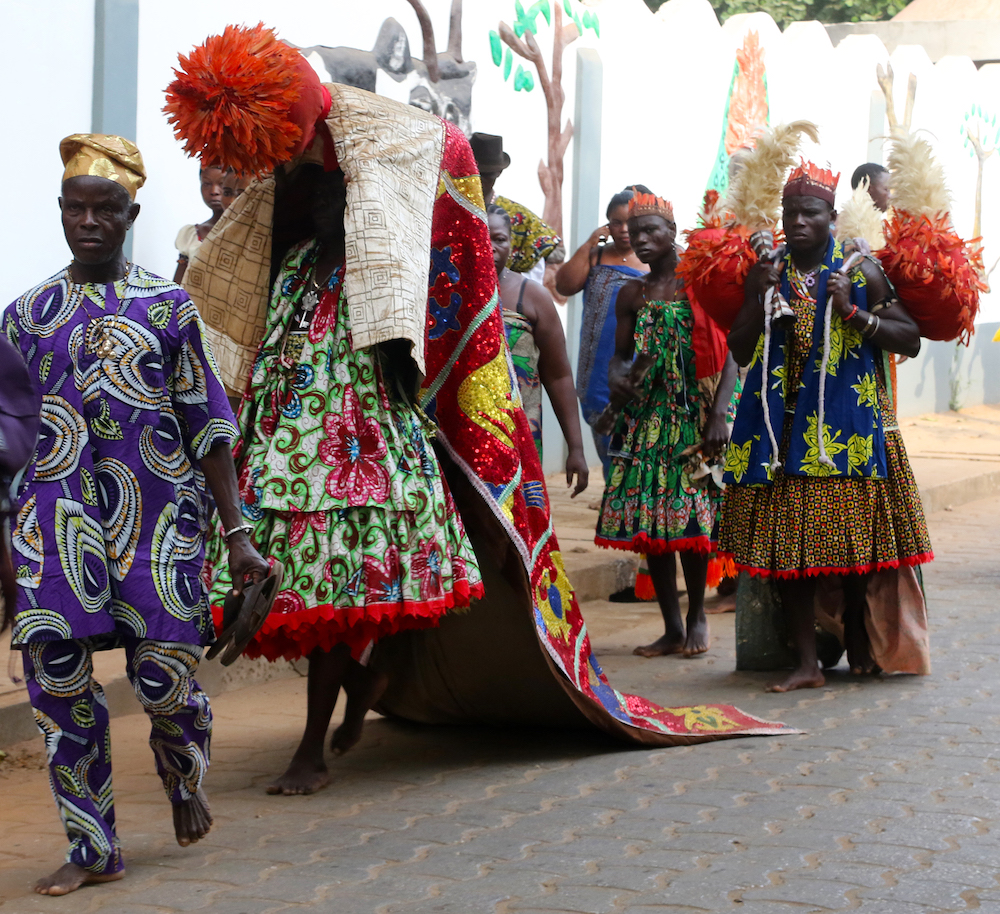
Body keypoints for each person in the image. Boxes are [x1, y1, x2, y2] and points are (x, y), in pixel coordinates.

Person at [3, 134, 269, 895]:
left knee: (167, 685)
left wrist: (237, 532)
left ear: (132, 215)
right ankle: (94, 848)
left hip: (158, 530)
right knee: (57, 690)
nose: (88, 221)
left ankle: (183, 774)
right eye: (75, 208)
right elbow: (5, 441)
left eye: (106, 209)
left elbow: (208, 426)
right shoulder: (24, 317)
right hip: (52, 531)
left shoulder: (169, 307)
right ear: (60, 212)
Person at [721, 161, 931, 692]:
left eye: (809, 213)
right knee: (789, 546)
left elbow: (909, 337)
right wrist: (755, 294)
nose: (797, 222)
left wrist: (856, 315)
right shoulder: (768, 269)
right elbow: (741, 348)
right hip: (781, 430)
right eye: (790, 213)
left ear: (832, 217)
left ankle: (860, 636)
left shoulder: (860, 270)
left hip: (847, 423)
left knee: (853, 541)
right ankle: (808, 663)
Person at [595, 193, 739, 657]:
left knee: (691, 519)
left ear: (672, 232)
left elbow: (734, 348)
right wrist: (618, 375)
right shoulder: (630, 293)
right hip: (648, 421)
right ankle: (671, 627)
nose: (642, 239)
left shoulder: (699, 283)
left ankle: (698, 616)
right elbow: (620, 357)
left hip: (693, 416)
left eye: (652, 230)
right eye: (636, 232)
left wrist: (719, 413)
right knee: (652, 527)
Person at [488, 204, 588, 495]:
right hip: (457, 436)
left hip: (519, 438)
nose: (490, 246)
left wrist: (576, 448)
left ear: (512, 243)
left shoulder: (530, 296)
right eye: (480, 235)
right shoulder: (445, 291)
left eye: (500, 239)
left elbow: (558, 376)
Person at [556, 187, 651, 476]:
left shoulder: (655, 260)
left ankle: (625, 501)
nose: (623, 229)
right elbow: (564, 286)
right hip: (597, 371)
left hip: (640, 368)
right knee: (606, 438)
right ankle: (614, 493)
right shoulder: (596, 256)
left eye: (630, 222)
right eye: (615, 222)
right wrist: (588, 244)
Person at [470, 132, 565, 284]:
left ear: (498, 173)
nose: (478, 181)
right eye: (473, 174)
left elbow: (556, 252)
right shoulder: (445, 207)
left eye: (486, 175)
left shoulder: (521, 218)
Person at [173, 164, 238, 283]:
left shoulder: (244, 232)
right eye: (207, 184)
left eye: (222, 184)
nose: (214, 191)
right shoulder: (190, 235)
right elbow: (177, 287)